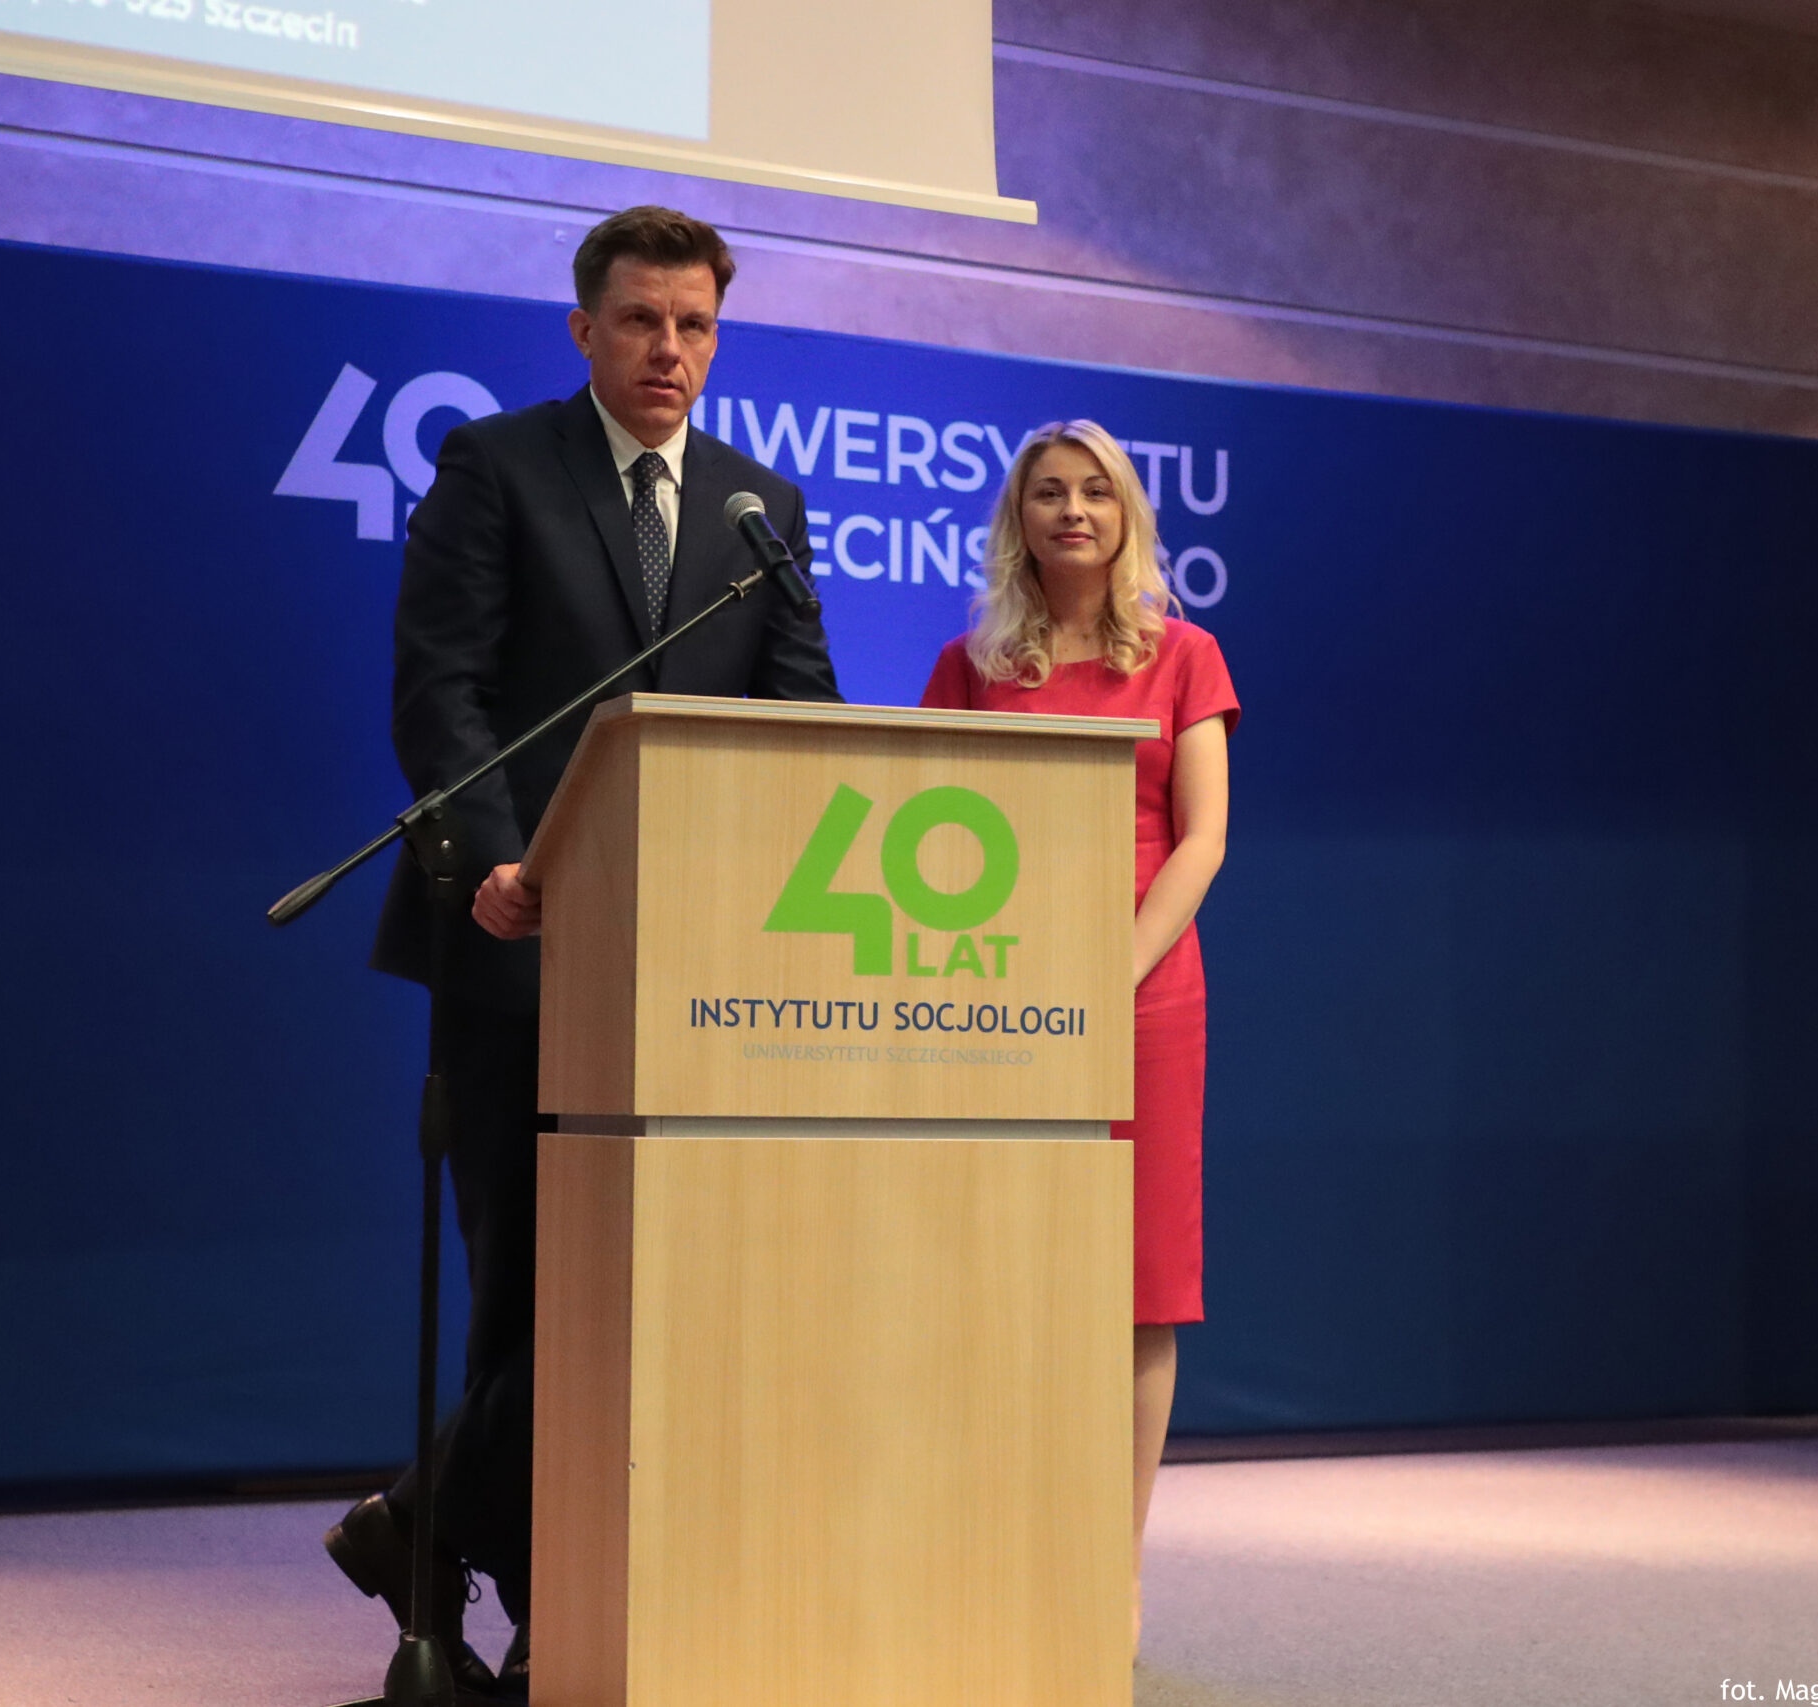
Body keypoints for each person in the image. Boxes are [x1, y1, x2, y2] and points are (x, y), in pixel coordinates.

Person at [325, 205, 841, 1698]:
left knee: (647, 1287)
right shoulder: (497, 465)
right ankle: (548, 1602)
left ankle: (421, 1526)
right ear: (583, 329)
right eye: (640, 320)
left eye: (693, 325)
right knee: (530, 1286)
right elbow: (442, 689)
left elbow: (799, 715)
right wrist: (497, 860)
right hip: (518, 941)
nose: (669, 349)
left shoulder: (756, 505)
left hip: (692, 965)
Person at [917, 420, 1236, 1651]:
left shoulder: (1185, 655)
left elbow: (1201, 839)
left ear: (1126, 516)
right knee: (1003, 1280)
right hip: (1000, 994)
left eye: (1094, 492)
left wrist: (1109, 971)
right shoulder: (970, 664)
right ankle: (1002, 1548)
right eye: (1047, 492)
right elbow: (928, 831)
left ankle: (1114, 1567)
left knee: (1138, 1293)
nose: (1071, 511)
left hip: (1143, 999)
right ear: (1019, 519)